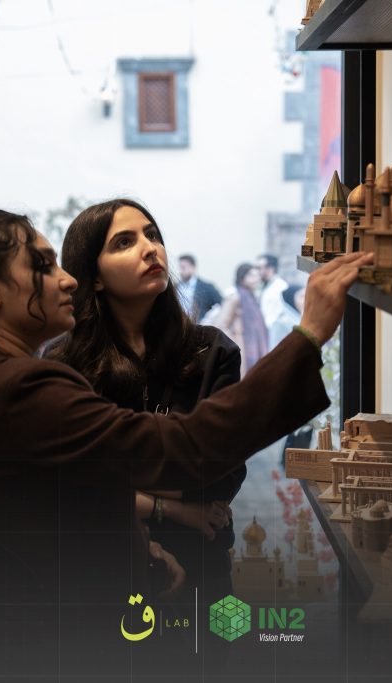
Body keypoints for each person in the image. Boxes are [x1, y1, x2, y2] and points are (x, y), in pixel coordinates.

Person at [0, 208, 368, 677]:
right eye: (43, 265)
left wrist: (139, 551)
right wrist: (309, 335)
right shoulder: (24, 387)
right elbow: (185, 448)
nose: (67, 281)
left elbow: (58, 501)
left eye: (152, 235)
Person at [48, 198, 243, 613]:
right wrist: (174, 506)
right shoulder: (63, 362)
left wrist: (117, 479)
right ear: (94, 278)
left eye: (152, 235)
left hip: (202, 561)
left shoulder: (213, 352)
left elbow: (222, 475)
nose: (150, 248)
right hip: (103, 568)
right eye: (124, 242)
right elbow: (67, 482)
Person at [216, 262, 269, 374]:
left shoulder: (253, 298)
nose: (256, 279)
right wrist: (234, 344)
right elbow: (221, 325)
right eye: (252, 276)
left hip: (254, 346)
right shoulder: (235, 297)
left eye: (257, 276)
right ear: (241, 277)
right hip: (241, 347)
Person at [176, 253, 221, 321]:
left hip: (200, 324)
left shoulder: (207, 287)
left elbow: (221, 304)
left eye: (183, 268)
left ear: (193, 268)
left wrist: (210, 318)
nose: (180, 271)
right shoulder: (175, 287)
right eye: (179, 268)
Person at [256, 252, 289, 337]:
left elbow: (283, 313)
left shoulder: (281, 286)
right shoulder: (262, 286)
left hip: (274, 333)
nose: (258, 271)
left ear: (271, 268)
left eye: (260, 268)